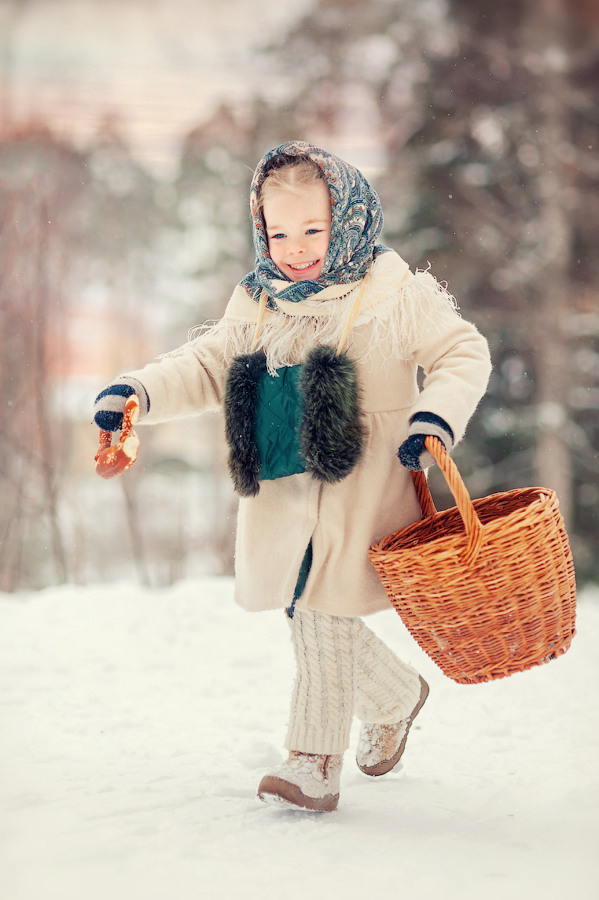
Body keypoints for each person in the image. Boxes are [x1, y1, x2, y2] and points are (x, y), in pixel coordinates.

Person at [94, 140, 492, 813]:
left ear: (349, 221)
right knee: (305, 607)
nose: (296, 247)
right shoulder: (258, 301)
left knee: (321, 612)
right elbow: (207, 365)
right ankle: (395, 697)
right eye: (278, 232)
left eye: (313, 228)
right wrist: (137, 391)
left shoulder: (395, 294)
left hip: (363, 486)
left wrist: (434, 418)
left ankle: (312, 762)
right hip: (285, 484)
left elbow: (463, 352)